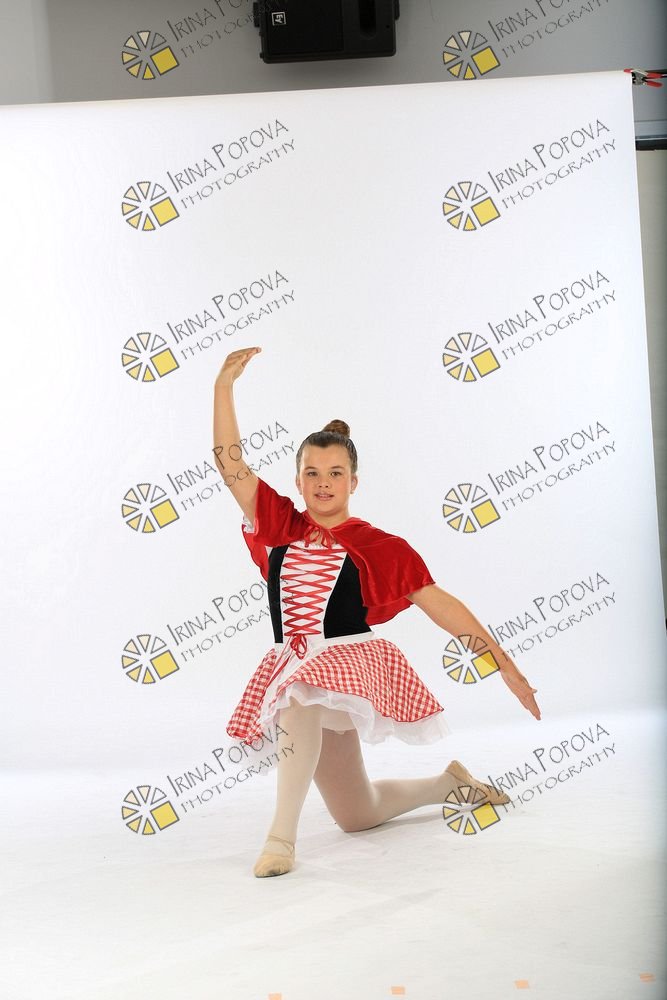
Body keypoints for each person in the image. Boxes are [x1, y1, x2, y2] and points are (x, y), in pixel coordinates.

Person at [212, 347, 541, 878]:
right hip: (294, 659)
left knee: (298, 693)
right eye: (312, 472)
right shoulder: (277, 525)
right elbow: (231, 465)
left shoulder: (381, 546)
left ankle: (280, 839)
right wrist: (223, 387)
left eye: (335, 473)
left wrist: (504, 665)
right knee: (357, 813)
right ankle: (449, 783)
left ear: (354, 482)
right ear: (298, 481)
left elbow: (442, 606)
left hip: (347, 660)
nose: (323, 482)